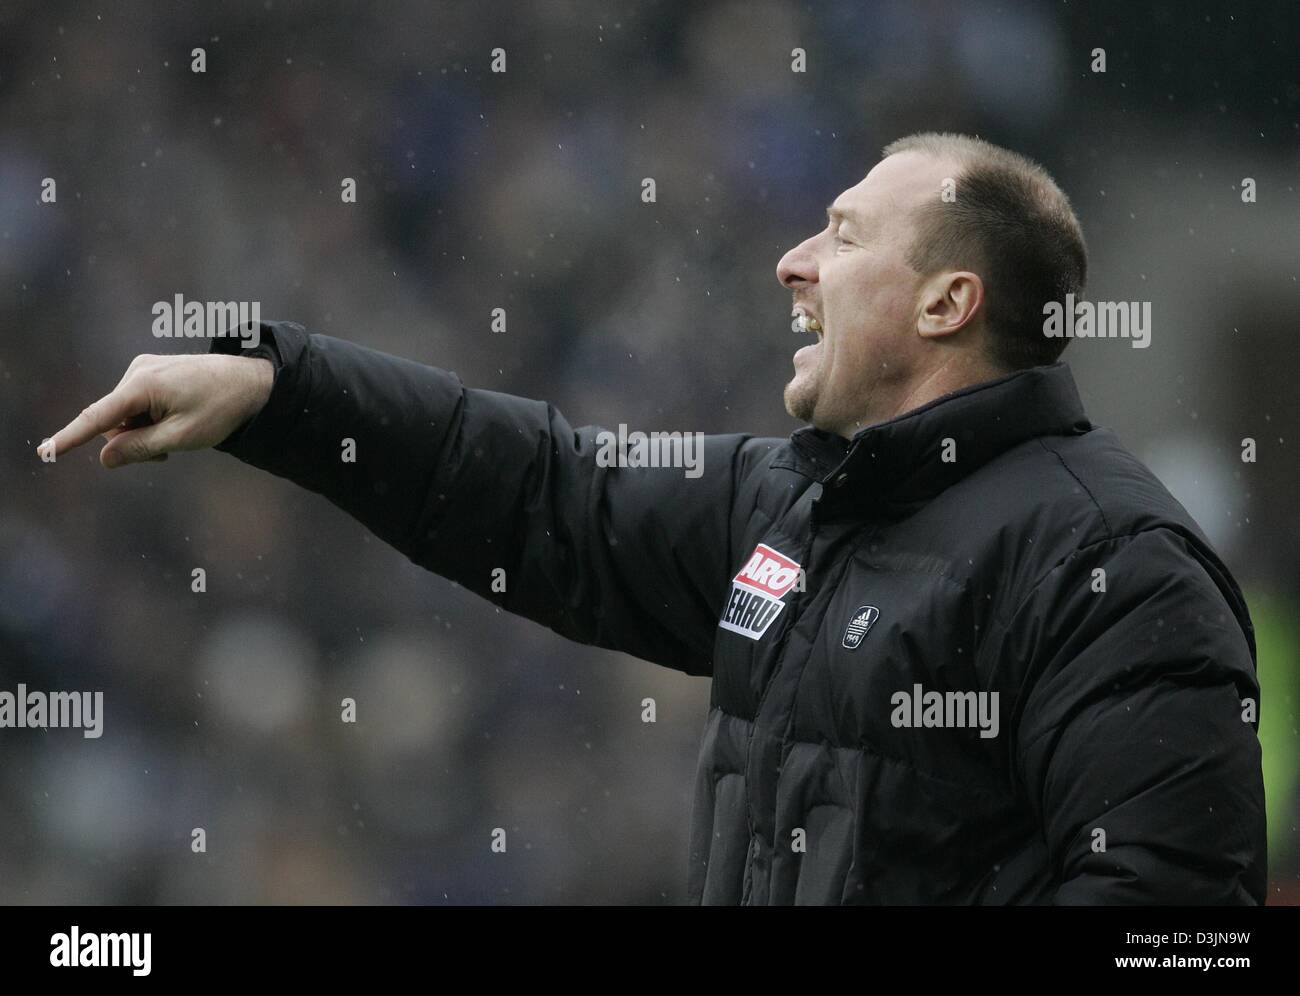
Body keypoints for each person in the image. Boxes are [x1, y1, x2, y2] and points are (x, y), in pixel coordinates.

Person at [40, 132, 1267, 905]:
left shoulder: (1113, 568)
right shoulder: (792, 503)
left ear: (949, 300)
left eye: (841, 234)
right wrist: (279, 390)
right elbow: (538, 490)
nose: (793, 260)